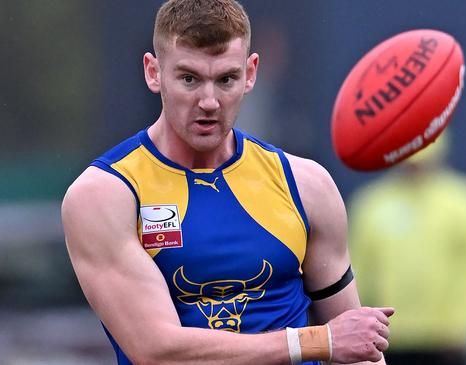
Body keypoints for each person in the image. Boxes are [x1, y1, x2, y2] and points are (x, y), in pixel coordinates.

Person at [61, 1, 393, 363]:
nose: (208, 101)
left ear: (250, 74)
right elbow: (158, 352)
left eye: (226, 80)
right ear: (153, 72)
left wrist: (338, 343)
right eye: (189, 79)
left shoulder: (306, 184)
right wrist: (316, 341)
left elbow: (358, 347)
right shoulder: (105, 194)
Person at [348, 132, 466, 365]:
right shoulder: (372, 204)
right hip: (388, 338)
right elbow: (355, 270)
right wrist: (361, 325)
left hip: (448, 341)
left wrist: (465, 325)